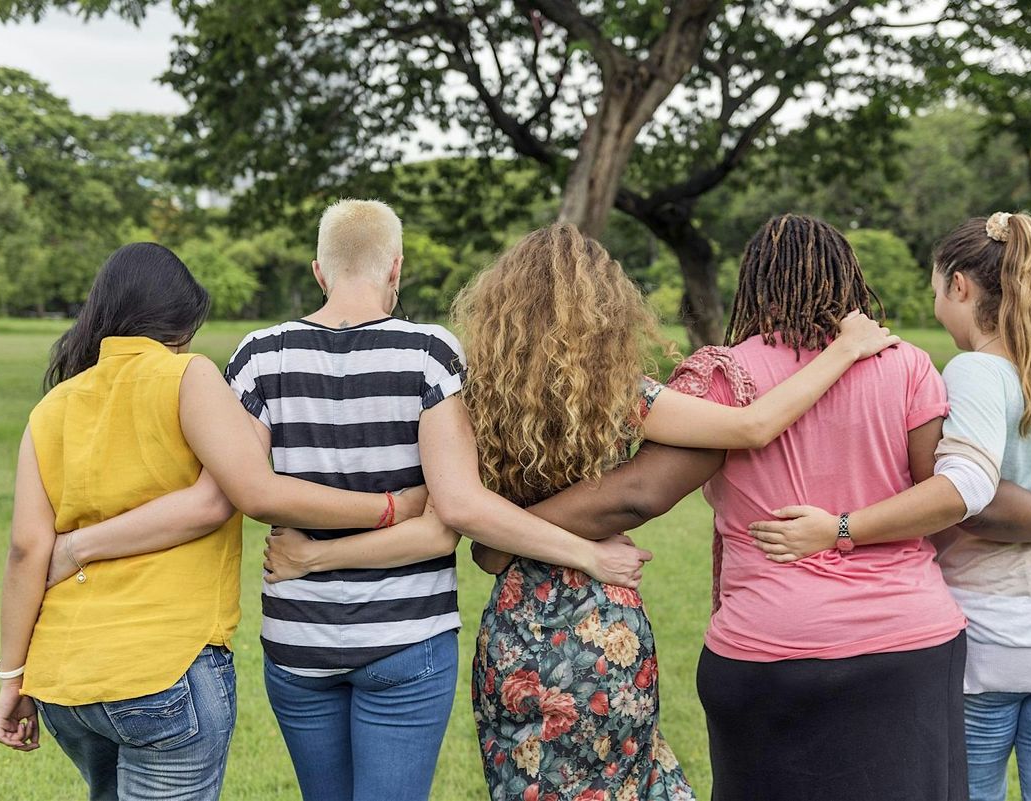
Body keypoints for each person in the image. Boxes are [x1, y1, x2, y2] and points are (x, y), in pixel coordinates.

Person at [32, 203, 654, 801]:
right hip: (408, 637)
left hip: (299, 641)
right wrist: (589, 555)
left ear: (319, 271)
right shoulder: (431, 355)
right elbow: (450, 518)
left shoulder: (258, 357)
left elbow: (238, 489)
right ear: (396, 267)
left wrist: (308, 559)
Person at [268, 221, 903, 800]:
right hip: (605, 618)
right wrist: (842, 350)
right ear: (606, 308)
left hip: (515, 630)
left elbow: (460, 514)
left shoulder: (469, 393)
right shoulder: (623, 393)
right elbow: (753, 426)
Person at [0, 242, 437, 801]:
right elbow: (244, 493)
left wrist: (12, 676)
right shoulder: (187, 377)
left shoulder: (52, 406)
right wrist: (389, 508)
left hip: (64, 682)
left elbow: (27, 551)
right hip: (161, 668)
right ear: (181, 319)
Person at [751, 212, 1031, 801]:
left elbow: (964, 494)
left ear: (959, 286)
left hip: (992, 642)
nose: (935, 303)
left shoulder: (974, 371)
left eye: (935, 290)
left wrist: (839, 528)